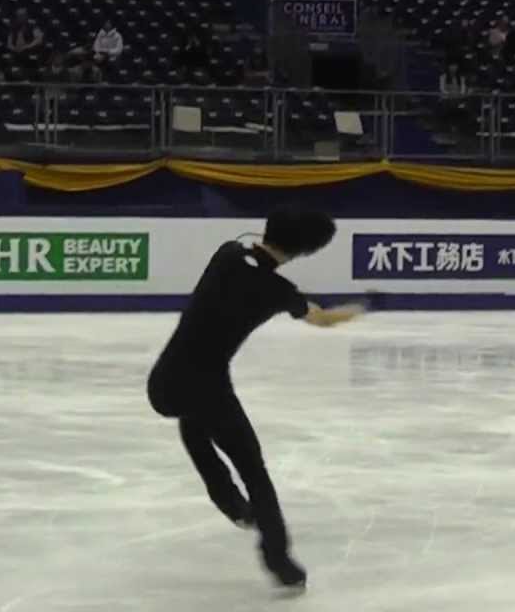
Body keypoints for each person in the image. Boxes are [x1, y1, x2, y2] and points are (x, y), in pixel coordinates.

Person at [146, 206, 365, 590]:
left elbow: (248, 253)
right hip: (208, 386)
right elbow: (323, 319)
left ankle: (227, 498)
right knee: (254, 471)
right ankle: (278, 558)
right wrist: (358, 309)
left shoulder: (227, 253)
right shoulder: (277, 291)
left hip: (164, 382)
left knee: (194, 420)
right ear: (304, 251)